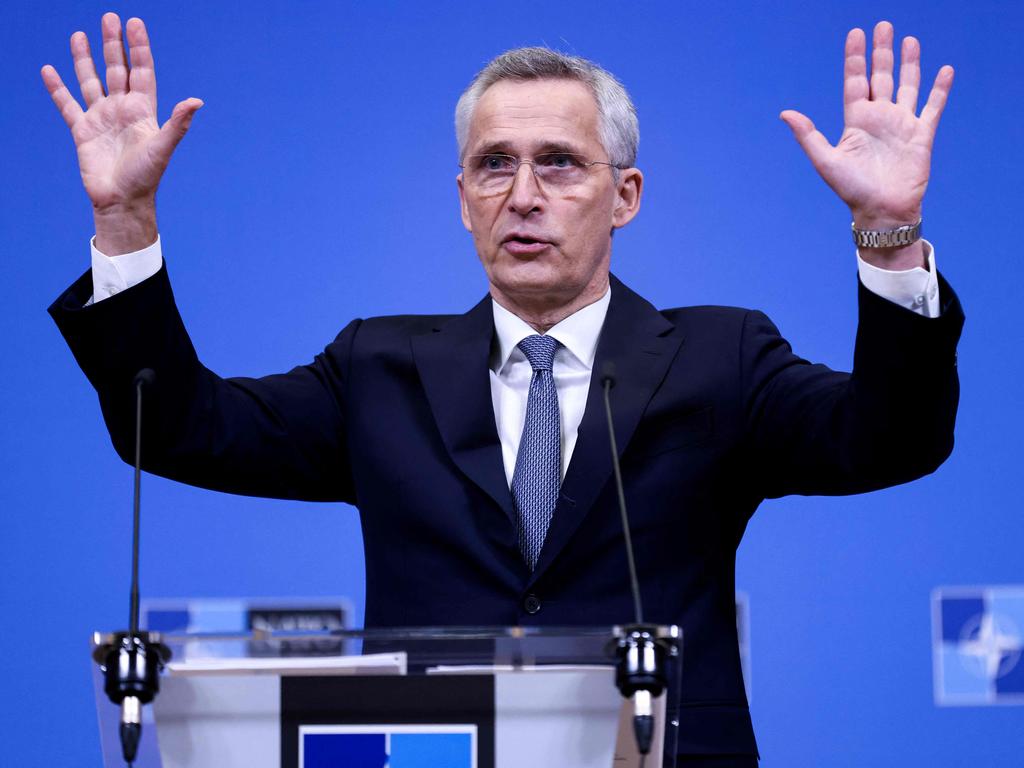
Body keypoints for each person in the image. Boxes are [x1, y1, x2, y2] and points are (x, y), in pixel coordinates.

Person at [43, 13, 963, 766]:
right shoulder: (377, 369)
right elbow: (176, 427)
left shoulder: (722, 357)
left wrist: (888, 233)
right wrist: (123, 222)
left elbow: (891, 437)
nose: (523, 194)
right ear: (462, 196)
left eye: (559, 162)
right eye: (494, 164)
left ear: (626, 193)